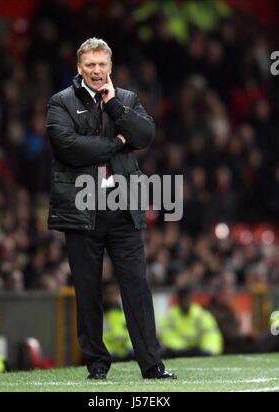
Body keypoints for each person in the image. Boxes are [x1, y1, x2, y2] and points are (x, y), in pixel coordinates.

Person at [46, 37, 176, 379]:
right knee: (88, 290)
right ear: (79, 68)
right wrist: (117, 142)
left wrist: (116, 106)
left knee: (136, 285)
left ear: (110, 67)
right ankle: (97, 366)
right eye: (90, 65)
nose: (96, 71)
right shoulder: (60, 102)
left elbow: (145, 136)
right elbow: (69, 147)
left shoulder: (128, 99)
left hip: (123, 208)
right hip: (81, 207)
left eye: (102, 64)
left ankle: (152, 365)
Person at [159, 285, 223, 357]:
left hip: (199, 352)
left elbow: (211, 335)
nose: (185, 301)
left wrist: (208, 351)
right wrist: (184, 350)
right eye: (183, 298)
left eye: (187, 298)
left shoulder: (201, 315)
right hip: (177, 354)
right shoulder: (170, 317)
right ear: (178, 300)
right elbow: (167, 336)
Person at [102, 278, 134, 362]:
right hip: (108, 355)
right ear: (103, 294)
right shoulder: (98, 317)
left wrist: (130, 348)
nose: (112, 296)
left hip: (126, 355)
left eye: (115, 293)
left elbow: (131, 335)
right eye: (109, 293)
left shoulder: (124, 314)